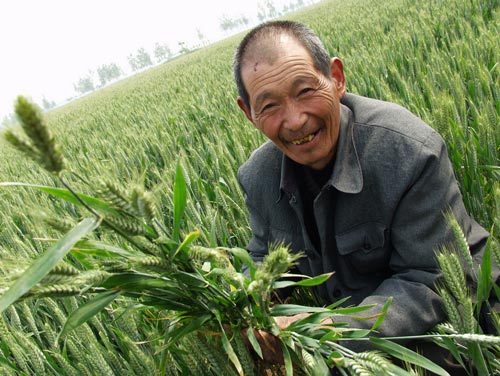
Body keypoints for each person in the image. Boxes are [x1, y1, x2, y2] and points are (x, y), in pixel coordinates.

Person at [233, 19, 499, 359]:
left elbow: (430, 281)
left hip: (463, 333)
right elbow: (262, 255)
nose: (296, 120)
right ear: (249, 113)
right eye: (269, 106)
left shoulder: (409, 153)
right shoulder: (258, 177)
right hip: (361, 347)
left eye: (305, 91)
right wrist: (242, 299)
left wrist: (330, 328)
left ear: (336, 78)